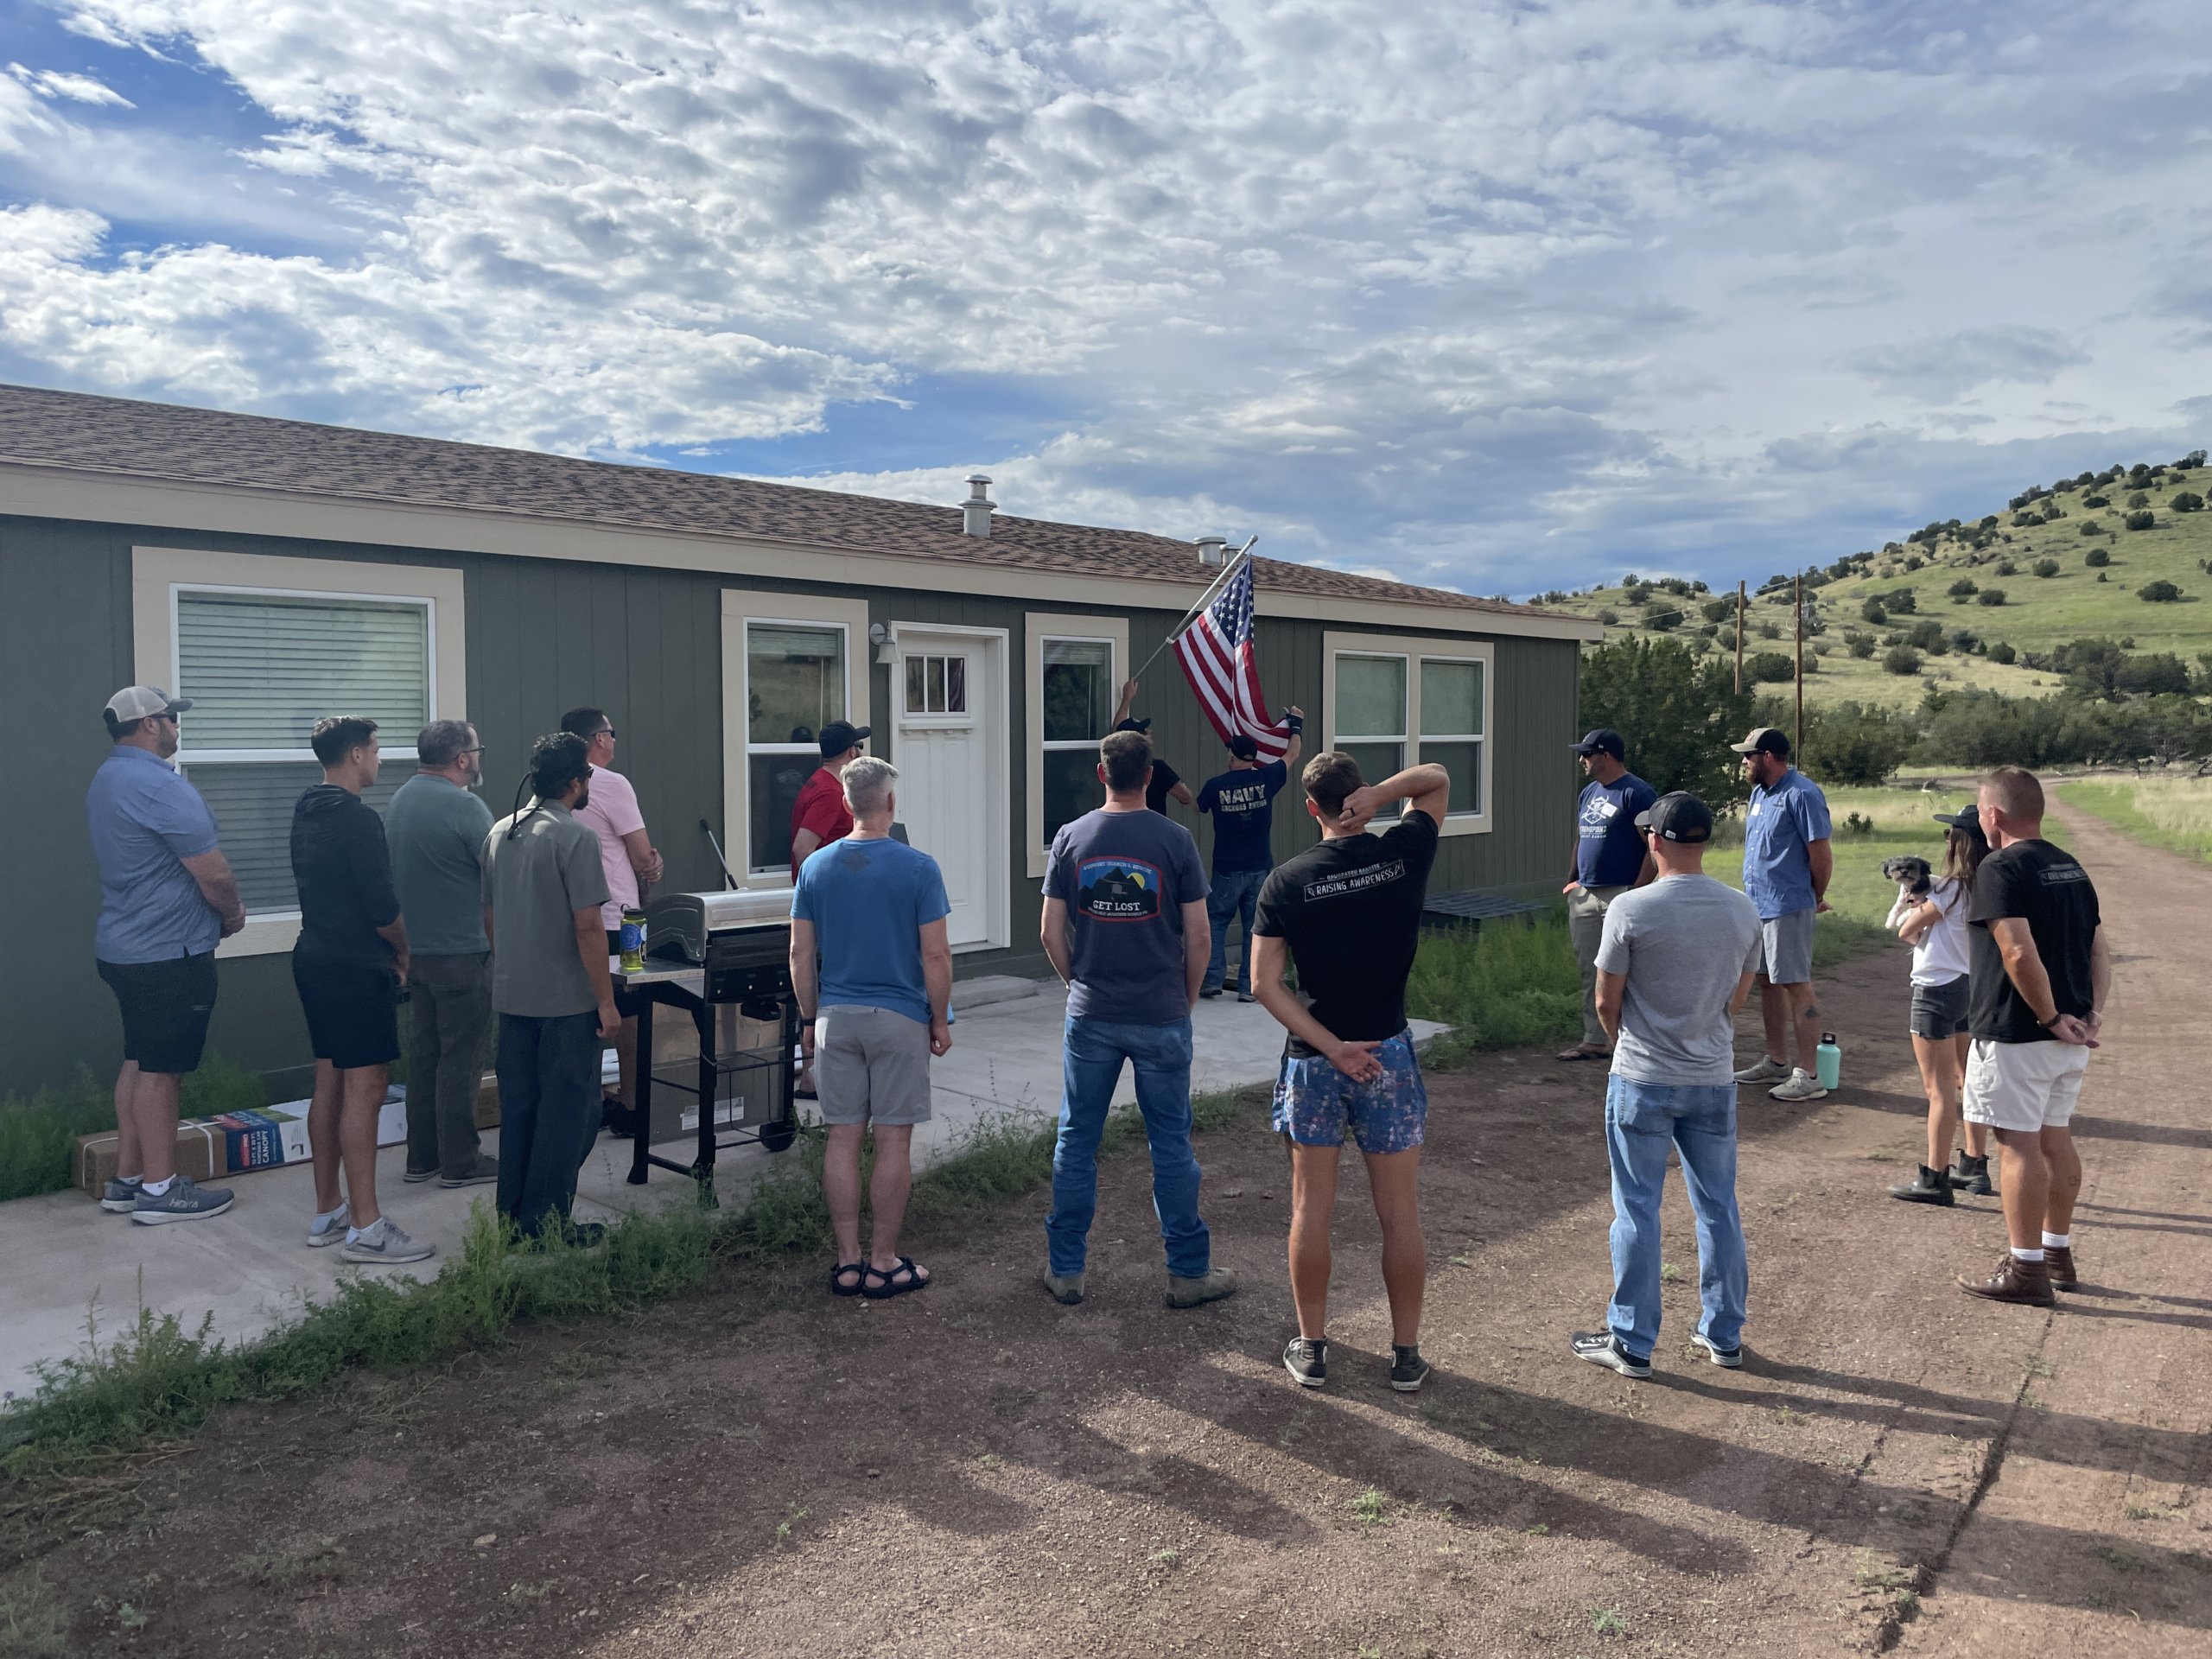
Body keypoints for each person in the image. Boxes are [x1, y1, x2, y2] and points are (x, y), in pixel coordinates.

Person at [1251, 753, 1446, 1394]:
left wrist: (1332, 1047)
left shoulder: (1286, 880)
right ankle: (1407, 1354)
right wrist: (1386, 794)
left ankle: (1312, 1348)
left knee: (1312, 1208)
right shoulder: (1405, 854)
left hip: (1316, 1062)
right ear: (1357, 797)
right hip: (1387, 1053)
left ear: (1311, 809)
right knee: (1400, 1213)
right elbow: (1437, 780)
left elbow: (1263, 984)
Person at [1570, 791, 1763, 1379]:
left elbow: (1607, 999)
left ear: (1654, 841)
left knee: (1636, 1210)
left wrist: (1627, 1039)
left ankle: (1632, 1340)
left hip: (1644, 1075)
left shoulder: (1631, 909)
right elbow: (1739, 996)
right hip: (1712, 1075)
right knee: (1717, 1207)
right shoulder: (1743, 910)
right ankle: (1723, 1332)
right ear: (1704, 842)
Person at [1039, 728, 1231, 1308]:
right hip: (1161, 1014)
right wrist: (1187, 998)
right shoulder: (1175, 840)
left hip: (1092, 1014)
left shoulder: (1071, 838)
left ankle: (1066, 1270)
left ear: (1102, 774)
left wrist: (1079, 984)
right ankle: (1188, 1273)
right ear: (1151, 777)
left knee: (1077, 1139)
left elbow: (1050, 932)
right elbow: (1199, 935)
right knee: (1170, 1142)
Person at [789, 757, 953, 1300]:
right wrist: (938, 1016)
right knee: (892, 1140)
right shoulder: (919, 868)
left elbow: (799, 952)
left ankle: (847, 1261)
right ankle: (884, 1261)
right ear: (890, 803)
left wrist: (810, 1021)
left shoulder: (815, 868)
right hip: (900, 1018)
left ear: (844, 803)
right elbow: (935, 955)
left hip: (837, 1017)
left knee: (841, 1136)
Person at [86, 685, 245, 1224]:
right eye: (170, 719)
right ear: (149, 726)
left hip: (125, 949)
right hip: (166, 955)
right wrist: (232, 915)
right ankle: (160, 1191)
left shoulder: (109, 777)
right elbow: (214, 873)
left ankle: (127, 1180)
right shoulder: (157, 784)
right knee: (161, 1073)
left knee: (138, 1060)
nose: (177, 727)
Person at [1956, 766, 2108, 1307]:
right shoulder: (2070, 866)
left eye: (1979, 808)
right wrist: (2088, 1013)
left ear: (1993, 815)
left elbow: (2017, 953)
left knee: (2017, 1146)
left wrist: (2047, 1017)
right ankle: (2056, 1252)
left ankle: (2025, 1269)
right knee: (2055, 1138)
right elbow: (2098, 950)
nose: (1978, 817)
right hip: (2070, 1034)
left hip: (2022, 1033)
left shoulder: (2000, 868)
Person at [291, 716, 432, 1266]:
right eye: (375, 750)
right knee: (367, 1088)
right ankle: (367, 1227)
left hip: (314, 957)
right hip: (355, 965)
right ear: (354, 754)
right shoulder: (358, 820)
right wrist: (404, 951)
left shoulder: (307, 809)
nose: (379, 759)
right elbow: (382, 907)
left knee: (329, 1077)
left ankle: (328, 1209)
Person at [482, 733, 622, 1242]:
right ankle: (546, 1225)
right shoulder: (576, 837)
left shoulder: (501, 832)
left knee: (520, 1111)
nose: (588, 783)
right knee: (569, 1115)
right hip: (565, 1004)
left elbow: (491, 916)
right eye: (586, 774)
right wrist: (605, 1001)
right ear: (573, 782)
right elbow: (588, 927)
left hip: (513, 996)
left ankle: (512, 1221)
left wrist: (511, 967)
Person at [387, 718, 499, 1191]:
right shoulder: (465, 806)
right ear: (461, 759)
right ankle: (460, 1161)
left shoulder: (400, 800)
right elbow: (502, 870)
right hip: (462, 952)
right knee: (462, 1058)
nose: (478, 758)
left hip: (417, 954)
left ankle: (422, 1158)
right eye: (477, 750)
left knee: (426, 1056)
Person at [1885, 807, 1995, 1205]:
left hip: (1935, 989)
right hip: (1971, 985)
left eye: (1950, 834)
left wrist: (1915, 911)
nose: (1945, 840)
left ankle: (1935, 1176)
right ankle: (1975, 1164)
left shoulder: (1950, 887)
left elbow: (1905, 930)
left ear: (1959, 842)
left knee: (1939, 1090)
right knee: (1970, 1078)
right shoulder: (1989, 883)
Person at [562, 709, 664, 1122]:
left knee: (578, 1012)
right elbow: (642, 855)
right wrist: (655, 865)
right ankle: (632, 1101)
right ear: (598, 739)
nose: (614, 740)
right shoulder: (612, 783)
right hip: (625, 918)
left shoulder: (557, 785)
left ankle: (584, 1103)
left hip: (573, 915)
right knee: (631, 1014)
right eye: (611, 733)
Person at [1727, 727, 1834, 1103]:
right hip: (1757, 905)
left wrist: (1813, 895)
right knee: (1766, 981)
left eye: (1748, 755)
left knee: (1795, 983)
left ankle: (1809, 1074)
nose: (1744, 762)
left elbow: (1820, 855)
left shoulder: (1802, 793)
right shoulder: (1760, 793)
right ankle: (1776, 1060)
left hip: (1788, 905)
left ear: (1768, 756)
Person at [1559, 728, 1656, 1063]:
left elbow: (1654, 849)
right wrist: (1572, 881)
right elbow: (1580, 838)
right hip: (1586, 893)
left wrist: (1637, 893)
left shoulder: (1637, 793)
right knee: (1592, 968)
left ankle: (1633, 1042)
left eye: (1587, 753)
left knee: (1628, 970)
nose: (1582, 760)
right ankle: (1595, 1039)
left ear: (1607, 755)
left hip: (1622, 893)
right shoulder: (1588, 793)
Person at [1193, 709, 1303, 1001]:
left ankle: (1212, 981)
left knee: (1216, 920)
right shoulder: (1268, 779)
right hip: (1260, 868)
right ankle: (1246, 988)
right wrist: (1296, 725)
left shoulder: (1216, 786)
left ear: (1234, 757)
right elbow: (1292, 753)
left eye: (1230, 752)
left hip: (1227, 869)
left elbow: (1199, 806)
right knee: (1252, 927)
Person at [790, 719, 871, 876]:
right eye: (858, 746)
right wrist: (821, 887)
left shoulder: (821, 780)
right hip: (831, 892)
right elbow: (802, 848)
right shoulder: (830, 794)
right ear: (852, 752)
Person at [1110, 679, 1195, 816]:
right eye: (1144, 731)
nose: (1149, 732)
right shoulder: (1157, 768)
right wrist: (1181, 786)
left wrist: (1127, 699)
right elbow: (1186, 798)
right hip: (1153, 831)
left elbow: (1117, 733)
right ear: (1138, 740)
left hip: (1123, 827)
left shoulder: (1115, 764)